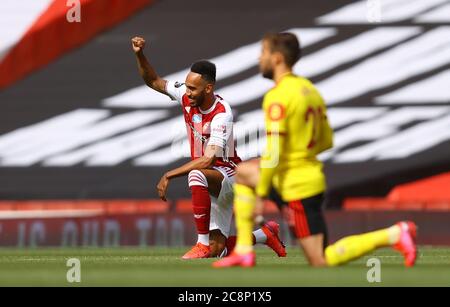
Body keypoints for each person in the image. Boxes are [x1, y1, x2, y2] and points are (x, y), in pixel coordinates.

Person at [213, 32, 417, 268]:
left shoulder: (278, 96)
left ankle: (394, 234)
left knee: (321, 260)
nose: (260, 59)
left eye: (263, 54)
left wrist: (261, 193)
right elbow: (326, 140)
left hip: (296, 185)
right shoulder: (310, 90)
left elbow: (275, 149)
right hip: (302, 175)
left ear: (277, 58)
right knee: (245, 172)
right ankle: (244, 251)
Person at [131, 36, 286, 259]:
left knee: (196, 174)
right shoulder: (186, 95)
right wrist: (139, 54)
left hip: (229, 176)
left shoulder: (221, 114)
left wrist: (169, 174)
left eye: (193, 88)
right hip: (211, 180)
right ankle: (265, 234)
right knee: (218, 251)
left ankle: (201, 242)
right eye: (186, 86)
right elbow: (153, 80)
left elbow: (208, 160)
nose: (188, 92)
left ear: (208, 88)